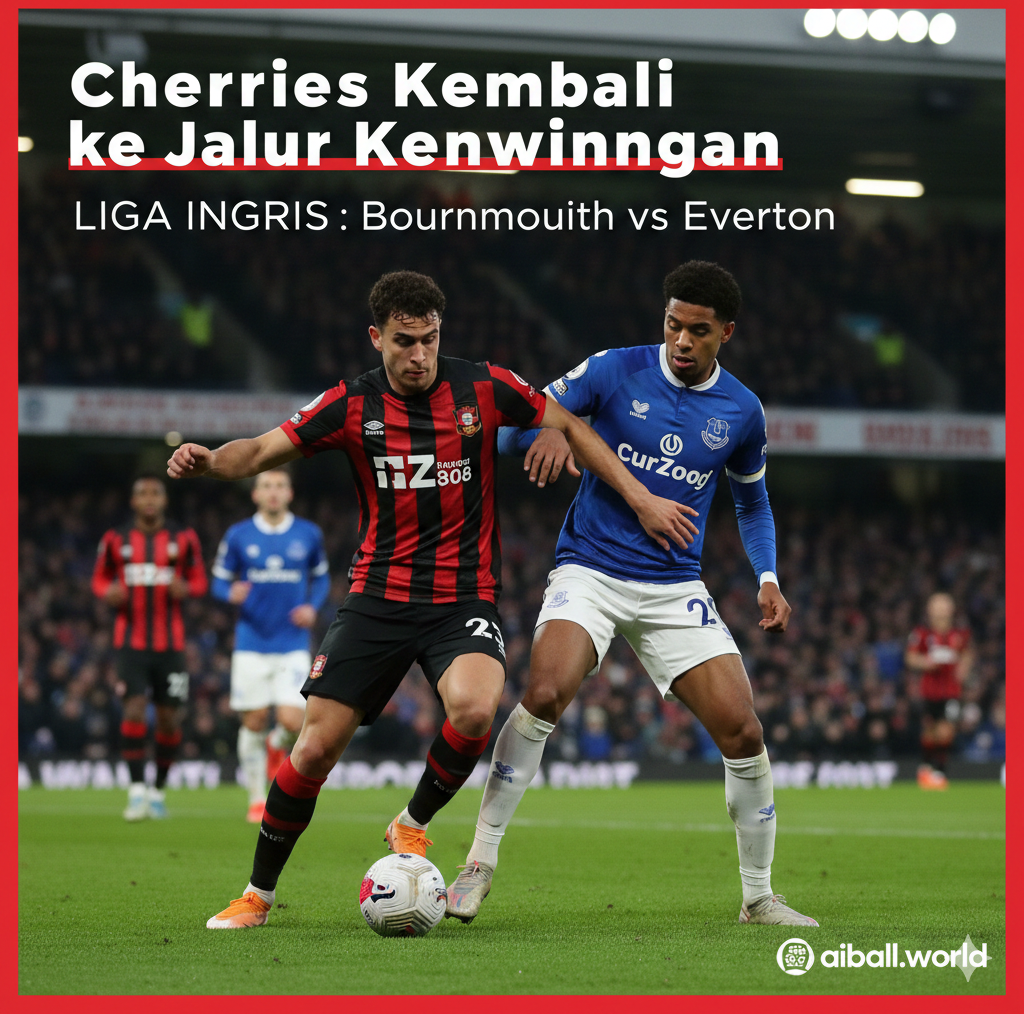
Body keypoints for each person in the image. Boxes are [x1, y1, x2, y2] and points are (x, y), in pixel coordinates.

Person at [166, 270, 695, 929]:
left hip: (460, 597)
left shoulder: (484, 386)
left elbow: (571, 425)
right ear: (377, 338)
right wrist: (211, 461)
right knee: (311, 751)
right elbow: (262, 449)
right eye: (404, 341)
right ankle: (258, 895)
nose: (419, 356)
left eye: (430, 340)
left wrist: (628, 489)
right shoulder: (350, 404)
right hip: (377, 598)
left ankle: (411, 823)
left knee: (475, 708)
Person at [447, 260, 819, 928]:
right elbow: (513, 425)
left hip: (674, 585)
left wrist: (767, 577)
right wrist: (554, 428)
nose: (681, 340)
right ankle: (478, 863)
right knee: (544, 694)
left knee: (743, 729)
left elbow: (753, 502)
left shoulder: (742, 410)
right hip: (588, 569)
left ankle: (759, 897)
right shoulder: (614, 368)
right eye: (673, 323)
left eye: (698, 331)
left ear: (725, 333)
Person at [211, 469, 330, 822]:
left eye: (279, 486)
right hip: (251, 641)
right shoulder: (238, 535)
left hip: (292, 641)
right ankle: (254, 798)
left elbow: (321, 577)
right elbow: (218, 579)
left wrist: (312, 606)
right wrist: (228, 592)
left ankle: (276, 745)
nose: (273, 492)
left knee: (293, 720)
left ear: (289, 493)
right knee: (254, 720)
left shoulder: (308, 534)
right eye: (266, 486)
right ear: (256, 495)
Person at [91, 474, 207, 820]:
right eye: (142, 493)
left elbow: (200, 580)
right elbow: (98, 578)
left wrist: (185, 587)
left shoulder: (183, 538)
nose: (149, 498)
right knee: (134, 710)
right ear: (133, 501)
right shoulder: (116, 539)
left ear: (164, 499)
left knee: (170, 720)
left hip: (171, 646)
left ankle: (158, 789)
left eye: (156, 492)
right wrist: (106, 591)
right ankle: (137, 791)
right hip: (130, 644)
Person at [905, 591, 974, 790]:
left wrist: (964, 668)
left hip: (951, 690)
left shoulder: (960, 634)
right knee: (930, 732)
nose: (942, 608)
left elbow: (967, 654)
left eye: (945, 604)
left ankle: (939, 771)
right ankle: (926, 769)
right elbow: (910, 658)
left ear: (951, 609)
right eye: (937, 604)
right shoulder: (922, 633)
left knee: (946, 730)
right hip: (929, 690)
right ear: (930, 609)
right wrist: (926, 662)